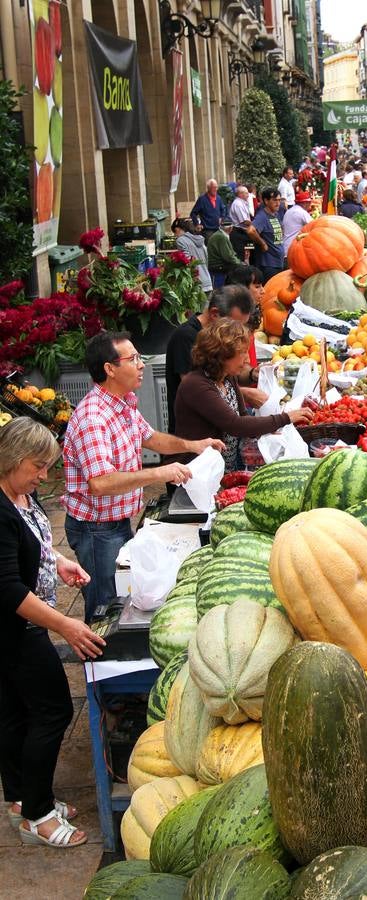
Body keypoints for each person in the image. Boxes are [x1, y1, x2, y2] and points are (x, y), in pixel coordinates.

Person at [63, 332, 224, 622]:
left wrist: (193, 445)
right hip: (96, 528)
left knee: (121, 594)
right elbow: (100, 483)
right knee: (106, 605)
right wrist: (158, 473)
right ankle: (99, 663)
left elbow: (149, 437)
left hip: (115, 522)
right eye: (133, 359)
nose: (141, 365)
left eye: (140, 357)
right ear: (109, 369)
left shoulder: (122, 403)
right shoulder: (93, 418)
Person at [0, 419, 105, 848]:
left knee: (14, 713)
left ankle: (23, 798)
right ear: (10, 459)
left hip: (22, 628)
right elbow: (7, 588)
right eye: (38, 466)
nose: (45, 476)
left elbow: (33, 542)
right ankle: (38, 815)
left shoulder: (20, 494)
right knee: (53, 712)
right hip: (16, 631)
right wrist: (65, 624)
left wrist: (57, 561)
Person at [173, 320, 313, 472]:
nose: (247, 359)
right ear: (222, 355)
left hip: (222, 470)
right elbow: (236, 424)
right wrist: (285, 418)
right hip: (195, 474)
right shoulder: (196, 385)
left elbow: (244, 416)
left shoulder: (227, 377)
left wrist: (265, 429)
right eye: (242, 353)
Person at [165, 285, 256, 433]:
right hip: (194, 442)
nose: (238, 332)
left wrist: (253, 375)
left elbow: (231, 376)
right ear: (214, 314)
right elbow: (200, 393)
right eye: (234, 325)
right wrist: (246, 394)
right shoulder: (185, 337)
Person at [171, 218, 212, 294]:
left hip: (196, 284)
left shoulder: (181, 240)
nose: (175, 236)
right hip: (207, 281)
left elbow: (187, 261)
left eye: (175, 232)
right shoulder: (199, 239)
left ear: (177, 229)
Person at [252, 187, 285, 281]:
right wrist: (262, 243)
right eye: (274, 200)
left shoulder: (276, 214)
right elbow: (251, 230)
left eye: (279, 200)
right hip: (268, 265)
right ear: (266, 201)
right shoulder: (262, 216)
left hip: (278, 262)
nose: (278, 203)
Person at [206, 219, 242, 288]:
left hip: (220, 268)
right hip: (218, 268)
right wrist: (240, 263)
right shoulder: (221, 237)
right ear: (230, 228)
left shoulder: (221, 234)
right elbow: (228, 256)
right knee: (219, 291)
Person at [282, 191, 312, 258]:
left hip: (285, 249)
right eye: (309, 203)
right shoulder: (302, 212)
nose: (310, 205)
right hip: (293, 251)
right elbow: (314, 226)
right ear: (304, 203)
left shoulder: (289, 211)